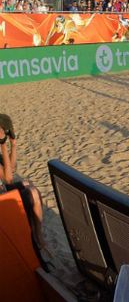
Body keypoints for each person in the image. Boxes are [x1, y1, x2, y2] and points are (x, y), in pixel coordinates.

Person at [0, 114, 52, 267]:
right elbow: (8, 178)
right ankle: (38, 236)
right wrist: (3, 146)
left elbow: (11, 166)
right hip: (3, 198)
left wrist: (13, 145)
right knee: (32, 192)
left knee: (28, 183)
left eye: (3, 131)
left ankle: (37, 231)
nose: (2, 134)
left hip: (3, 189)